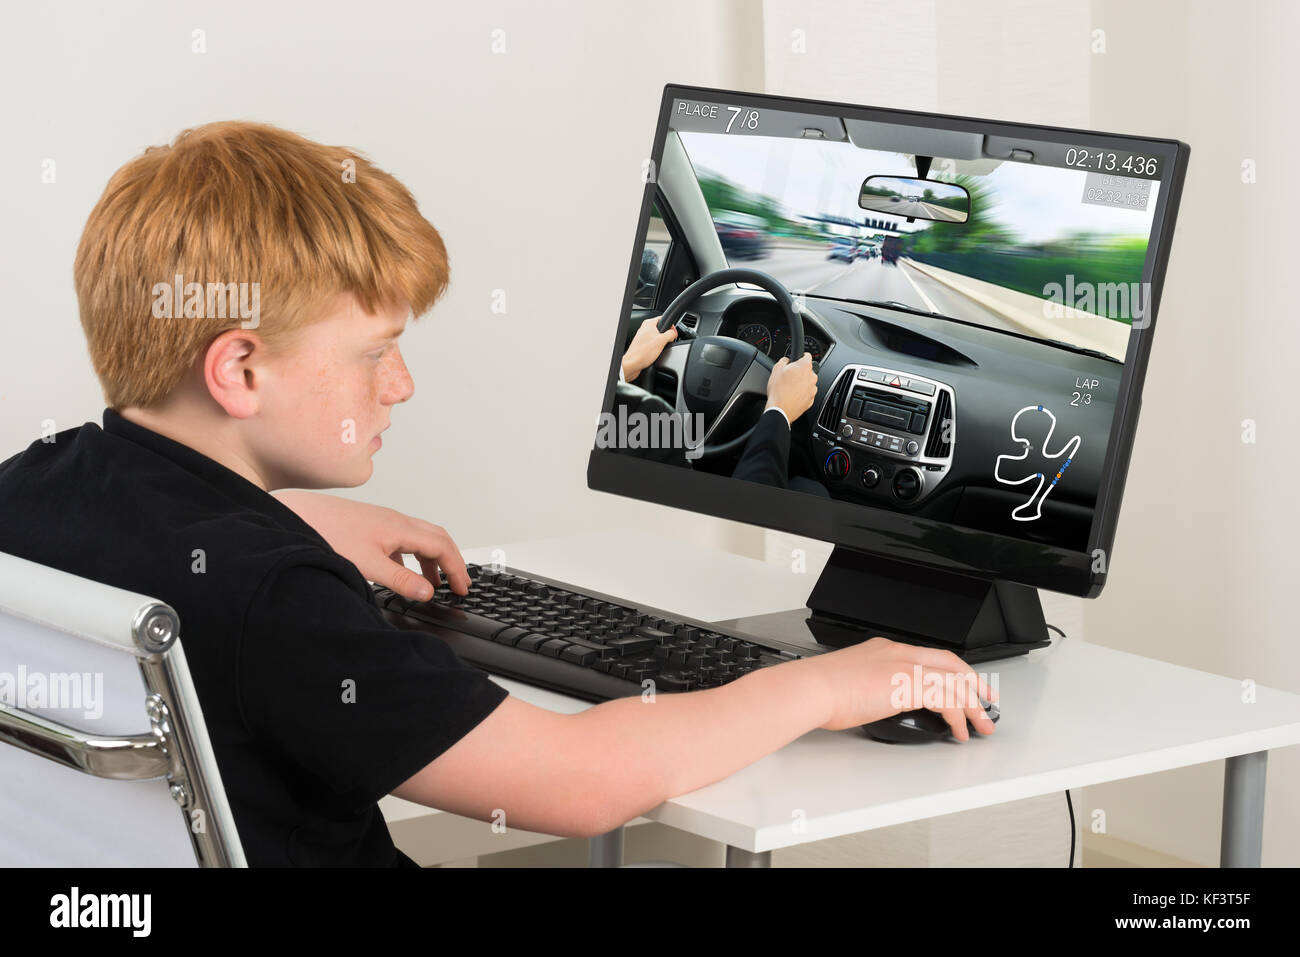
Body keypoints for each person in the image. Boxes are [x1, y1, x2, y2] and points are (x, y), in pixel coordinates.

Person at [0, 121, 996, 867]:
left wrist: (286, 521)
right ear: (240, 372)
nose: (401, 385)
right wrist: (828, 682)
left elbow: (144, 519)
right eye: (376, 353)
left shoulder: (32, 492)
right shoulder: (278, 601)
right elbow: (577, 787)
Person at [614, 316, 819, 488]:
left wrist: (627, 364)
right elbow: (749, 509)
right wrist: (779, 408)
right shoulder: (650, 414)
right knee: (812, 490)